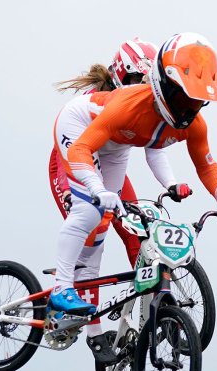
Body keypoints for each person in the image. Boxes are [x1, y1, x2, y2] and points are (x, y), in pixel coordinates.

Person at [49, 32, 217, 362]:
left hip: (116, 146)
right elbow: (82, 148)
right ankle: (60, 290)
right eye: (185, 100)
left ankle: (96, 319)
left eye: (197, 102)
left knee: (107, 225)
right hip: (79, 129)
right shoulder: (128, 105)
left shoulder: (192, 123)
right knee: (90, 215)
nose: (191, 110)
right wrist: (96, 190)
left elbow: (206, 165)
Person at [49, 38, 156, 315]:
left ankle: (151, 313)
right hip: (72, 158)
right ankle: (89, 325)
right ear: (121, 76)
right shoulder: (102, 102)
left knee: (138, 232)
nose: (142, 89)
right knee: (93, 224)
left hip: (107, 161)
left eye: (147, 82)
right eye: (136, 80)